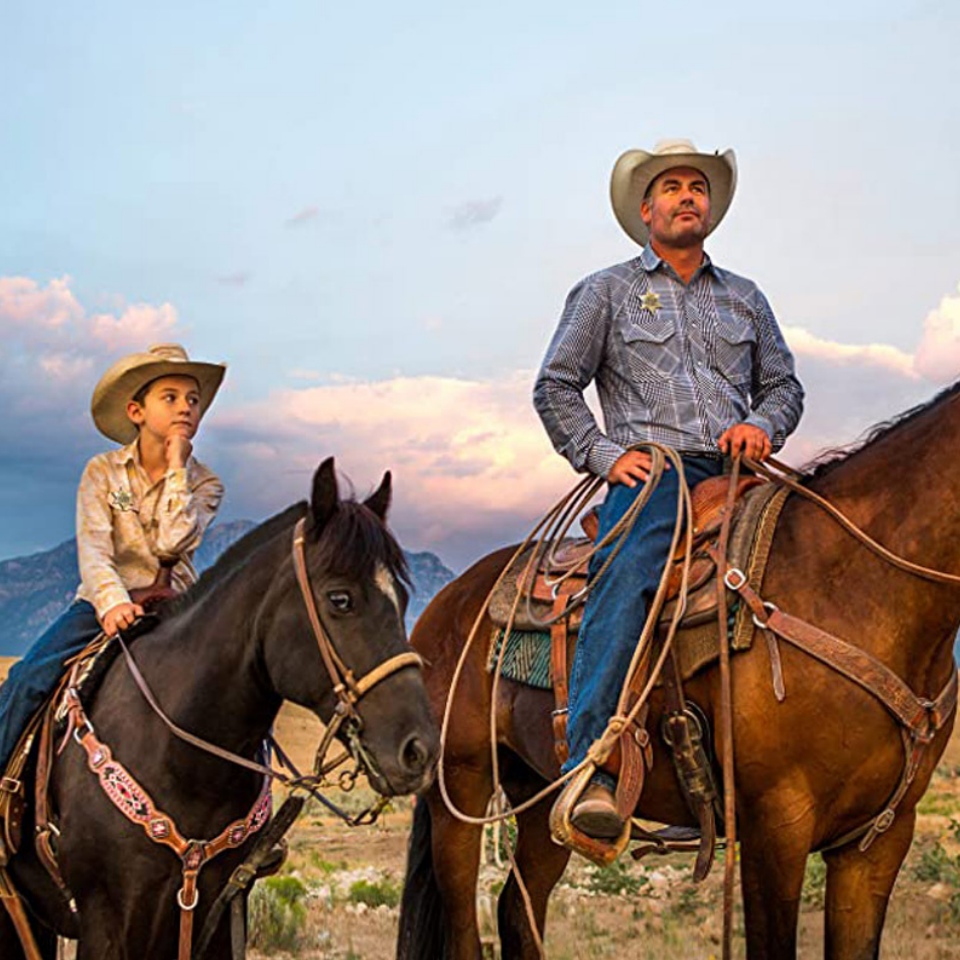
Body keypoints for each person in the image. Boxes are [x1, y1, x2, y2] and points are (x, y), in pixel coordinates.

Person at [533, 139, 804, 840]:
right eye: (673, 187)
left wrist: (761, 425)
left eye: (698, 187)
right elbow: (556, 385)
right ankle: (589, 763)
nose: (689, 196)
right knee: (625, 578)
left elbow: (783, 384)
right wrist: (601, 455)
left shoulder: (747, 297)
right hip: (653, 472)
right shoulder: (607, 290)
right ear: (646, 210)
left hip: (739, 471)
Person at [0, 343, 226, 775]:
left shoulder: (206, 483)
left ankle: (254, 807)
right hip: (105, 604)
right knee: (29, 678)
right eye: (171, 397)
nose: (186, 409)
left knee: (235, 683)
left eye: (193, 401)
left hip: (178, 606)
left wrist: (177, 469)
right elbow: (95, 548)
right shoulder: (102, 472)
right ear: (136, 411)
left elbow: (172, 543)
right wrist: (112, 603)